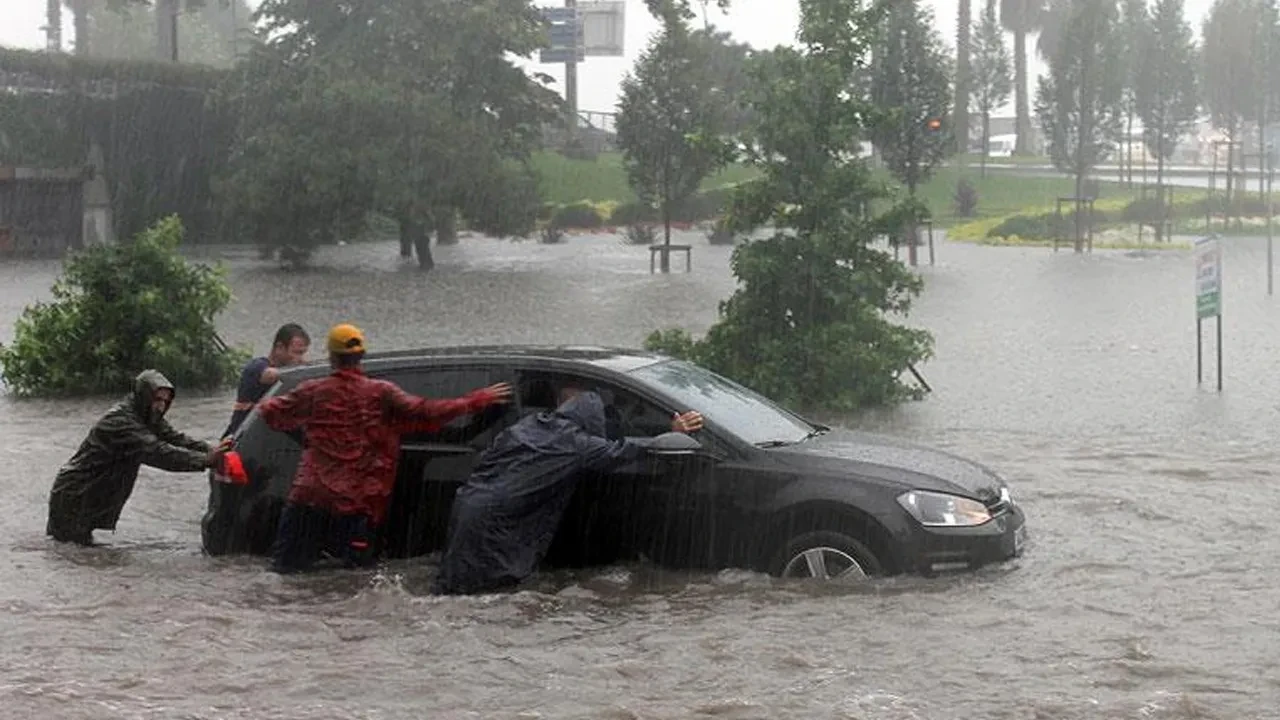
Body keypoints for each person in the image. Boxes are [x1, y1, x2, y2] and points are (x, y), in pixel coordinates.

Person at [257, 323, 513, 574]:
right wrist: (476, 400)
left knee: (285, 574)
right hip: (354, 504)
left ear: (332, 357)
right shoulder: (381, 393)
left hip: (310, 498)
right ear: (361, 357)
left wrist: (308, 439)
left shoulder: (312, 390)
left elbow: (268, 410)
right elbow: (428, 411)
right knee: (355, 581)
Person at [432, 385, 704, 596]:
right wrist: (670, 433)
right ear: (590, 419)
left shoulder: (528, 425)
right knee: (490, 592)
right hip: (500, 522)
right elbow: (620, 451)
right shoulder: (575, 443)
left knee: (455, 586)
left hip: (468, 505)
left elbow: (489, 459)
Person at [46, 369, 230, 546]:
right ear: (144, 396)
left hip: (91, 492)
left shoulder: (145, 415)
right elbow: (158, 452)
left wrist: (210, 449)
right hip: (75, 494)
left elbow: (174, 437)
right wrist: (206, 460)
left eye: (166, 402)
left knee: (80, 555)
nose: (161, 406)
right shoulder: (121, 422)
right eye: (157, 400)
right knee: (72, 553)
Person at [222, 323, 311, 438]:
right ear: (279, 347)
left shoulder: (290, 375)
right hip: (240, 438)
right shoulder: (256, 366)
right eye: (297, 353)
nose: (301, 359)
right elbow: (270, 375)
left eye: (303, 353)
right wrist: (308, 372)